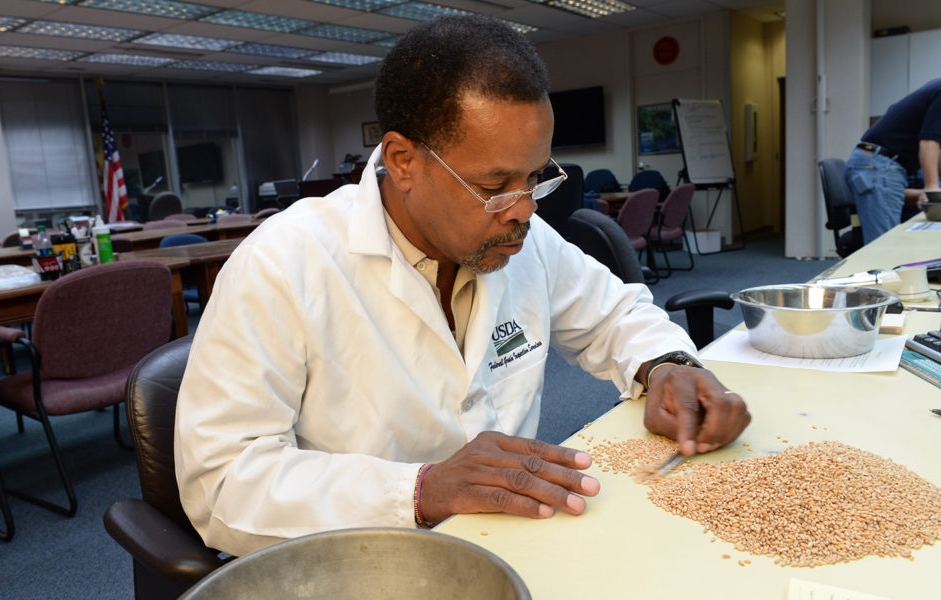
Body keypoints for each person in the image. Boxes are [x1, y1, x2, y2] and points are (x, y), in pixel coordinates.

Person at [174, 15, 750, 558]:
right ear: (402, 160)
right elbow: (221, 483)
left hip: (511, 544)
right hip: (363, 566)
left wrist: (667, 364)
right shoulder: (284, 265)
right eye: (494, 184)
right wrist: (419, 490)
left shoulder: (519, 236)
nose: (522, 211)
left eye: (535, 178)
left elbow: (613, 314)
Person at [844, 78, 941, 244]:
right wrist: (932, 188)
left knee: (893, 247)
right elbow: (929, 141)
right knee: (884, 249)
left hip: (882, 164)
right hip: (879, 165)